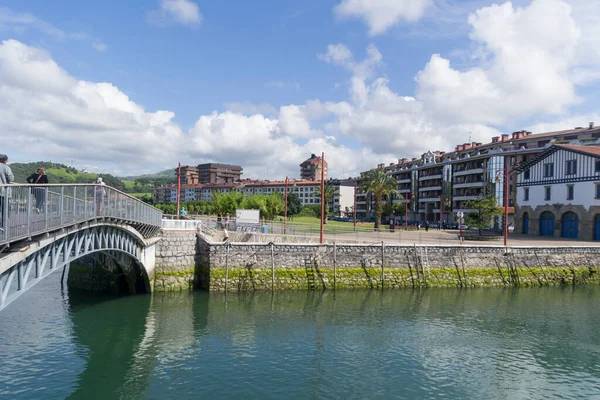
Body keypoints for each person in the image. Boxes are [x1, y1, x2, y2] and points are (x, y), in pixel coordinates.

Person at [0, 154, 14, 233]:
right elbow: (11, 178)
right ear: (5, 160)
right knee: (4, 210)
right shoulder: (6, 167)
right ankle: (2, 227)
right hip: (3, 192)